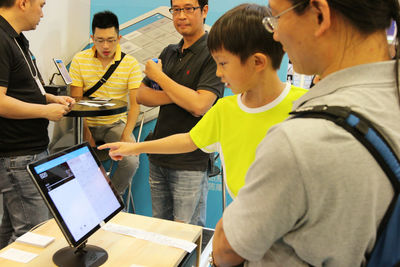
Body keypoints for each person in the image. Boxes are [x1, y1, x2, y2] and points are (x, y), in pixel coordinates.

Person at [211, 0, 400, 266]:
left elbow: (227, 248)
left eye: (276, 17)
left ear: (320, 14)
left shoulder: (302, 140)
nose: (275, 34)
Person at [99, 4, 307, 201]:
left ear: (257, 62)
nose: (218, 73)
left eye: (223, 64)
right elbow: (189, 140)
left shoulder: (306, 107)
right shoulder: (226, 109)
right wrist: (134, 148)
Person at [130, 0, 224, 226]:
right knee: (160, 230)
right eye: (176, 10)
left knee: (187, 234)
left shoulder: (214, 53)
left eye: (189, 8)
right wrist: (184, 95)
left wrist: (161, 78)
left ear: (204, 10)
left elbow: (200, 106)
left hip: (190, 161)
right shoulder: (169, 52)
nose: (181, 15)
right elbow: (142, 96)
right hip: (159, 157)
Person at [0, 0, 75, 248]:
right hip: (18, 155)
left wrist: (50, 98)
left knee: (13, 229)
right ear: (23, 3)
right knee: (33, 238)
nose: (43, 13)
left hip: (29, 152)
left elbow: (22, 88)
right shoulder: (1, 39)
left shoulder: (17, 39)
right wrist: (44, 110)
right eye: (41, 5)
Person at [69, 11, 141, 196]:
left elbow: (135, 104)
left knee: (131, 160)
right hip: (85, 124)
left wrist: (126, 135)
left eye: (111, 39)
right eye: (100, 40)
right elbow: (77, 103)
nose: (106, 45)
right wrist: (86, 133)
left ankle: (110, 198)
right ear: (92, 38)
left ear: (119, 38)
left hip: (115, 124)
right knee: (65, 159)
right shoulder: (79, 60)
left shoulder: (130, 64)